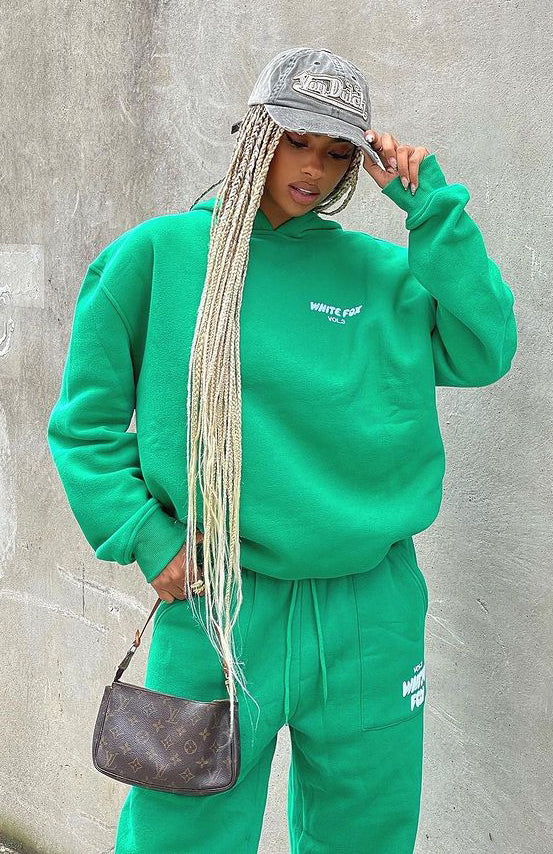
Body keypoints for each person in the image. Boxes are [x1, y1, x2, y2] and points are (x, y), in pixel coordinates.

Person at [47, 46, 517, 853]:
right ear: (256, 134)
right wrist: (149, 537)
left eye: (336, 152)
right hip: (222, 601)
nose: (313, 168)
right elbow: (84, 425)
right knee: (180, 838)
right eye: (295, 141)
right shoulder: (159, 257)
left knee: (364, 838)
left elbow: (486, 347)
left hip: (369, 607)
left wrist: (429, 209)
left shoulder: (381, 275)